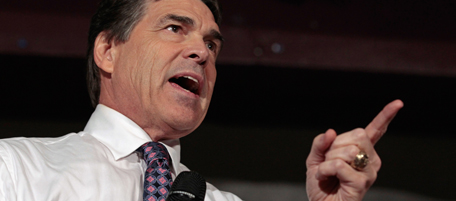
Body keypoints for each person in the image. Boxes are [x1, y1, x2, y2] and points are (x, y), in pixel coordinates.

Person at [0, 0, 403, 200]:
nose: (202, 52)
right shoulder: (17, 170)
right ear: (108, 50)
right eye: (175, 28)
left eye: (212, 43)